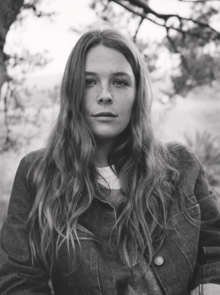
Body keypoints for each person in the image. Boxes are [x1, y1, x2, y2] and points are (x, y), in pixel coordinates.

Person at [0, 25, 220, 295]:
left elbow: (215, 251)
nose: (105, 95)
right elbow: (18, 280)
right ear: (73, 92)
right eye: (89, 82)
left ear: (137, 92)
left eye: (120, 81)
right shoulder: (38, 174)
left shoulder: (182, 166)